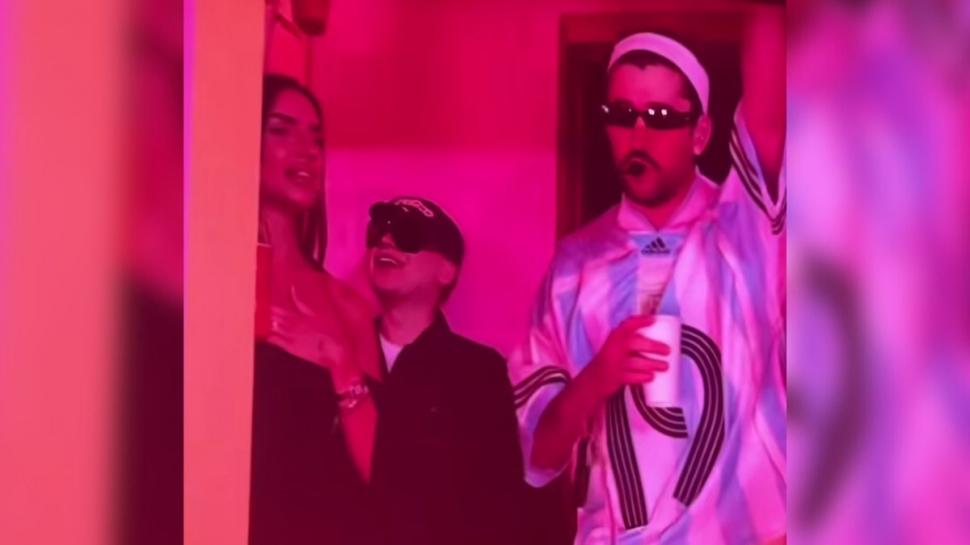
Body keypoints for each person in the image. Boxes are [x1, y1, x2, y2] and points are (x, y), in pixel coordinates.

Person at [506, 27, 786, 544]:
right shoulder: (575, 266)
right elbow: (535, 456)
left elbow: (772, 75)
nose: (638, 134)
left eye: (659, 116)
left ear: (700, 133)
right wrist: (597, 378)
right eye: (621, 114)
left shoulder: (744, 227)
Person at [248, 74, 380, 545]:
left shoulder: (347, 307)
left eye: (317, 139)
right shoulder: (205, 280)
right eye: (282, 130)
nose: (306, 151)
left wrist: (339, 365)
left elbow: (380, 469)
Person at [363, 197, 527, 545]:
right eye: (378, 232)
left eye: (407, 234)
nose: (386, 241)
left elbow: (501, 507)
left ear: (446, 270)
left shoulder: (478, 373)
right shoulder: (340, 352)